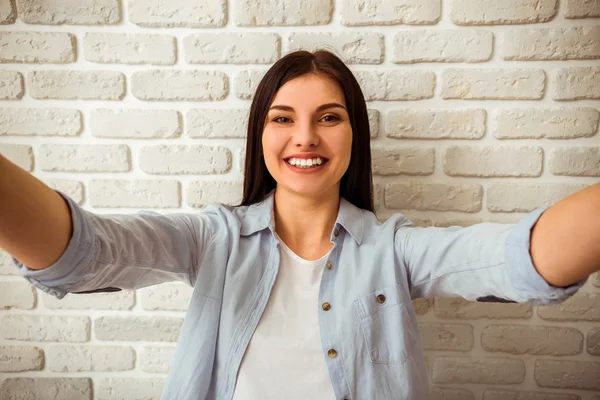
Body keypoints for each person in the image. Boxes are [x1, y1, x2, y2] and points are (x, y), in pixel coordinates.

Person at [1, 50, 598, 400]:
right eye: (283, 118)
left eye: (328, 118)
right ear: (260, 135)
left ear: (353, 136)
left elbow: (518, 258)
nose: (305, 137)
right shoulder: (214, 240)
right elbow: (88, 250)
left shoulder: (395, 250)